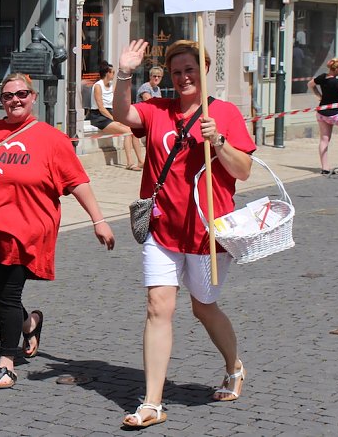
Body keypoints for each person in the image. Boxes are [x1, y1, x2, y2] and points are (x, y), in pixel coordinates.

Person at [112, 40, 256, 428]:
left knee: (203, 306)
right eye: (177, 72)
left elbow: (243, 170)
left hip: (207, 231)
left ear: (204, 68)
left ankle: (234, 366)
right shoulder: (157, 110)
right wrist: (125, 72)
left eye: (190, 69)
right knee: (159, 307)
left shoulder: (224, 113)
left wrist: (219, 141)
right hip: (163, 227)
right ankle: (153, 403)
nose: (183, 77)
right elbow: (121, 112)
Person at [0, 72, 115, 390]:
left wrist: (99, 219)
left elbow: (77, 181)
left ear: (33, 97)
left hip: (29, 228)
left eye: (22, 94)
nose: (15, 100)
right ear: (1, 100)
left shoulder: (51, 139)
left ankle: (6, 364)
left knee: (9, 294)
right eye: (9, 95)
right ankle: (31, 323)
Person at [89, 61, 144, 170]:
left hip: (111, 113)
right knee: (127, 131)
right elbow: (101, 108)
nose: (114, 74)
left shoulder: (111, 86)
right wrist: (115, 119)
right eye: (113, 72)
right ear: (107, 73)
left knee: (133, 130)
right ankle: (129, 162)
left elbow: (117, 102)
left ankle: (141, 161)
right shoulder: (98, 86)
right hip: (100, 116)